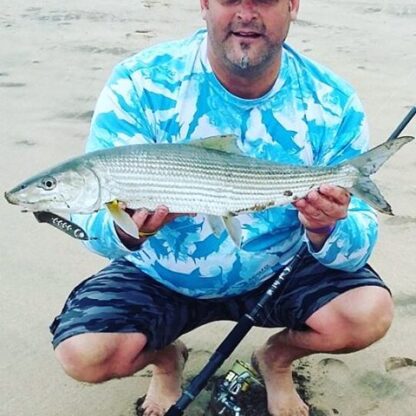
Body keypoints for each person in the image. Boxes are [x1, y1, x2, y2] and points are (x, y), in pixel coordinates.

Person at [50, 1, 394, 415]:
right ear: (205, 5)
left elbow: (358, 246)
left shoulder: (332, 101)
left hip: (278, 268)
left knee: (367, 314)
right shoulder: (140, 84)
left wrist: (324, 229)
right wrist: (128, 230)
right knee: (84, 353)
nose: (246, 13)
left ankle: (276, 359)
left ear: (292, 6)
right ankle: (166, 359)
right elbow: (94, 227)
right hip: (162, 272)